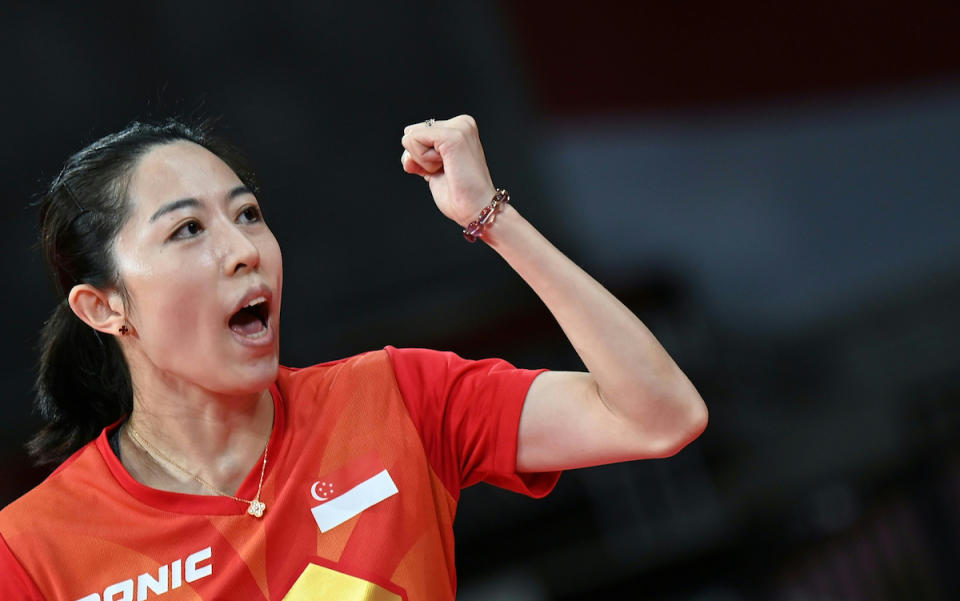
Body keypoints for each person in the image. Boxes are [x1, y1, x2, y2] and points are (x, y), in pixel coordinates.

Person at [0, 115, 707, 600]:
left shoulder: (398, 397)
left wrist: (490, 217)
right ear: (103, 307)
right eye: (187, 229)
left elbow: (658, 416)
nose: (244, 249)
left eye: (247, 214)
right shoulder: (34, 550)